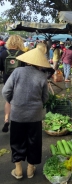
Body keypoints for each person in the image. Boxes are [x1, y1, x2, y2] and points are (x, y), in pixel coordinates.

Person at [2, 47, 50, 179]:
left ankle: (18, 170)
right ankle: (30, 169)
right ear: (40, 63)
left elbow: (6, 91)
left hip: (18, 114)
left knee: (17, 140)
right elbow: (45, 97)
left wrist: (14, 101)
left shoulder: (17, 72)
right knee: (33, 141)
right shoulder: (42, 75)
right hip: (34, 115)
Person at [0, 35, 25, 133]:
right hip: (20, 80)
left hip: (7, 80)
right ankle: (19, 120)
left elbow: (1, 68)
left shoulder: (3, 54)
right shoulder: (23, 54)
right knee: (19, 99)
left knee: (8, 100)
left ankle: (6, 119)